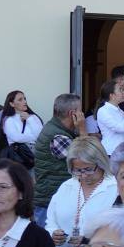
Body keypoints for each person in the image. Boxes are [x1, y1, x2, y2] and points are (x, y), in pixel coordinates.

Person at [46, 137, 118, 247]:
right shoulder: (66, 187)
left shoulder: (116, 188)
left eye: (88, 169)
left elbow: (123, 232)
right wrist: (53, 234)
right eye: (77, 170)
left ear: (101, 163)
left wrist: (89, 242)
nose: (83, 175)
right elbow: (51, 221)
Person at [33, 93, 88, 227]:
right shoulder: (58, 137)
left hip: (51, 198)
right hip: (50, 201)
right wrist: (82, 129)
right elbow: (88, 158)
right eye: (80, 110)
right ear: (72, 114)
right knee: (48, 245)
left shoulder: (58, 129)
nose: (83, 114)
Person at [0, 89, 44, 155]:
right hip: (19, 156)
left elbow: (41, 135)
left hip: (37, 155)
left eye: (24, 99)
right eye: (20, 100)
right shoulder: (9, 120)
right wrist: (34, 137)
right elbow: (17, 138)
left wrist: (29, 119)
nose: (25, 101)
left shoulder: (33, 117)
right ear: (12, 104)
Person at [96, 80, 124, 155]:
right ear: (112, 95)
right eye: (120, 90)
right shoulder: (103, 111)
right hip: (111, 152)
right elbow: (120, 129)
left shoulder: (120, 111)